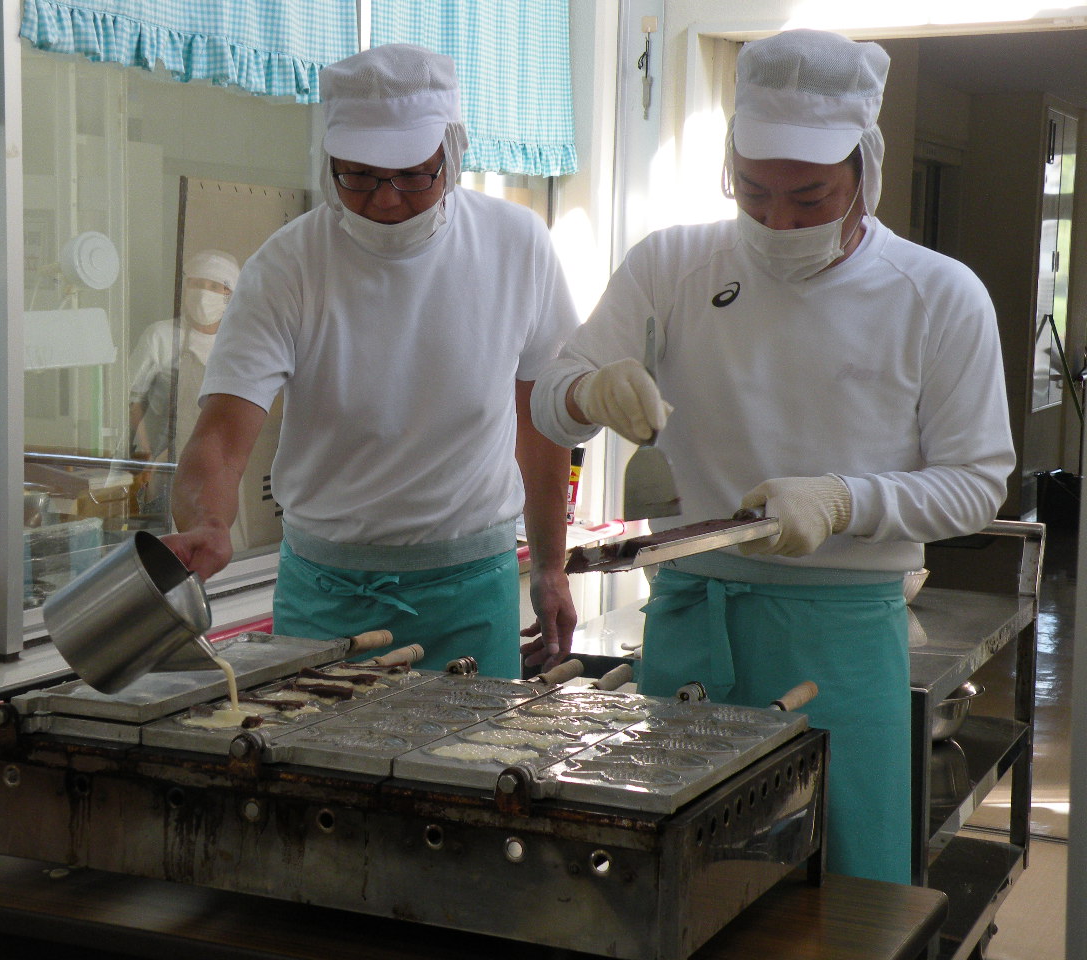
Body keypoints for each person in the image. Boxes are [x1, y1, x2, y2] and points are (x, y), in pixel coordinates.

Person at [532, 29, 1015, 884]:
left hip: (844, 636)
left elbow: (976, 484)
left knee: (852, 887)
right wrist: (588, 392)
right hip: (696, 619)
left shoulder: (937, 294)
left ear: (864, 168)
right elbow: (549, 399)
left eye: (809, 196)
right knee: (689, 882)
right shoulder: (673, 264)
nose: (778, 220)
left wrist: (844, 501)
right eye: (753, 192)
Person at [164, 44, 579, 678]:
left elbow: (541, 423)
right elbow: (221, 435)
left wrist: (550, 566)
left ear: (452, 153)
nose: (386, 200)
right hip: (328, 596)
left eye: (413, 175)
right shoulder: (289, 266)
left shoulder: (514, 246)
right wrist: (208, 521)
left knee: (473, 745)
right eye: (357, 175)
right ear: (328, 161)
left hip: (471, 591)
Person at [126, 249, 240, 517]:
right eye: (197, 284)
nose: (203, 293)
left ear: (230, 295)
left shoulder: (236, 344)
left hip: (220, 468)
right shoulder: (161, 336)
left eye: (214, 287)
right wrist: (147, 455)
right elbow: (131, 399)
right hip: (164, 466)